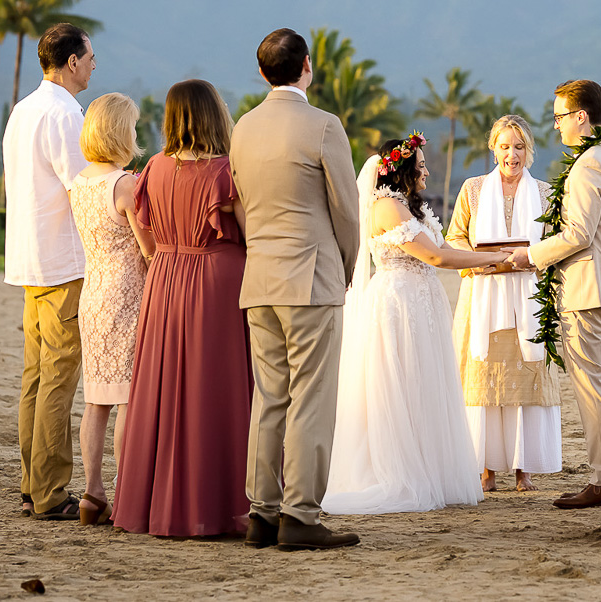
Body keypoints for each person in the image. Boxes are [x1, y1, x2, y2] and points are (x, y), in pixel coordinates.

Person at [325, 136, 509, 513]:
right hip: (399, 305)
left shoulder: (408, 207)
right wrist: (495, 258)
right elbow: (436, 256)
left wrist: (489, 256)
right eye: (420, 163)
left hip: (421, 302)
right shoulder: (387, 209)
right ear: (402, 168)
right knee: (403, 384)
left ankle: (430, 469)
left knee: (427, 384)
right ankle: (400, 472)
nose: (425, 169)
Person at [230, 29, 361, 551]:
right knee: (312, 397)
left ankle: (261, 511)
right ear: (307, 66)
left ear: (262, 73)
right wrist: (347, 267)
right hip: (311, 278)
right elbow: (347, 210)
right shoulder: (323, 126)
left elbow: (240, 201)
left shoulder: (242, 128)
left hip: (259, 277)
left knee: (269, 397)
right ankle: (301, 515)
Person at [113, 80, 252, 538]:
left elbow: (148, 243)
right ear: (216, 114)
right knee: (217, 389)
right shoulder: (226, 172)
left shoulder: (152, 167)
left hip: (166, 280)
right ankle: (221, 504)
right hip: (217, 283)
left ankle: (157, 504)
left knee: (163, 387)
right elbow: (251, 236)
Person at [506, 79, 601, 509]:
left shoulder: (589, 163)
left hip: (585, 285)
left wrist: (530, 255)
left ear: (581, 116)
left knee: (593, 385)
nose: (555, 126)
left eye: (559, 117)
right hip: (599, 283)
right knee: (600, 382)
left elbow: (577, 233)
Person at [3, 22, 94, 521]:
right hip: (61, 260)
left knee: (36, 378)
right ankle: (51, 492)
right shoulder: (63, 114)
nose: (94, 65)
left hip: (30, 259)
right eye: (90, 56)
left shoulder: (22, 110)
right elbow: (81, 186)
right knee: (58, 378)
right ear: (72, 61)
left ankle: (30, 483)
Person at [444, 114, 562, 493]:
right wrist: (482, 262)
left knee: (525, 378)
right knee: (484, 380)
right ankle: (485, 468)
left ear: (529, 150)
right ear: (492, 148)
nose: (512, 155)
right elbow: (454, 238)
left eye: (519, 146)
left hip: (528, 295)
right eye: (505, 146)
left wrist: (531, 259)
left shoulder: (545, 192)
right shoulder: (473, 189)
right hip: (482, 296)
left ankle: (522, 467)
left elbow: (556, 242)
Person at [68, 92, 153, 526]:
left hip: (93, 292)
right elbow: (148, 248)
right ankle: (123, 493)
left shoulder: (79, 184)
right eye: (133, 126)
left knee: (96, 398)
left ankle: (91, 492)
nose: (136, 134)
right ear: (121, 132)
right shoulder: (125, 185)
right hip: (126, 295)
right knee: (126, 399)